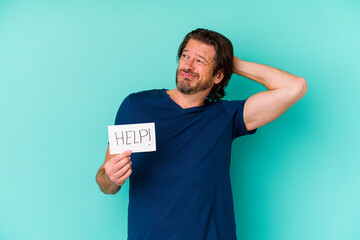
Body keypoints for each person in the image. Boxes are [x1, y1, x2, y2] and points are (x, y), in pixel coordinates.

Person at [96, 28, 307, 239]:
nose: (188, 65)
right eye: (186, 56)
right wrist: (111, 178)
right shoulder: (136, 106)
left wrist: (235, 64)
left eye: (200, 61)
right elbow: (105, 184)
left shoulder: (227, 116)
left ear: (218, 75)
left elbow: (294, 87)